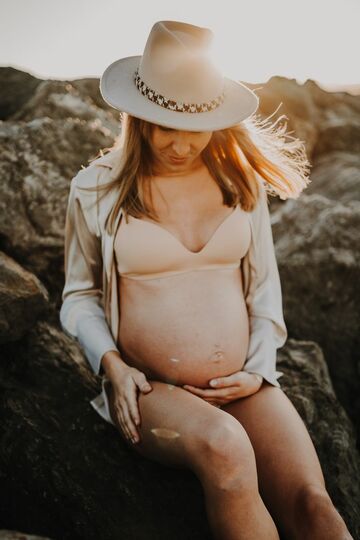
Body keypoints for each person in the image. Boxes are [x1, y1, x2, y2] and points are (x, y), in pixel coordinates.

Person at [60, 20, 353, 540]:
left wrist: (259, 370)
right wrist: (113, 367)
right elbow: (79, 295)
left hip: (242, 383)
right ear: (138, 117)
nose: (179, 144)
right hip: (151, 390)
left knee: (314, 504)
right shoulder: (95, 188)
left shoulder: (239, 182)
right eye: (164, 124)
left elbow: (265, 290)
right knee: (225, 447)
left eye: (194, 126)